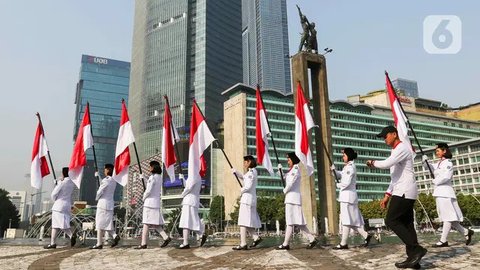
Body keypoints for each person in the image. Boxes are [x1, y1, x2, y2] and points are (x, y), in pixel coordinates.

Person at [366, 125, 427, 269]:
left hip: (404, 191)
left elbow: (386, 164)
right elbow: (395, 177)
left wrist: (372, 163)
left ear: (394, 134)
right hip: (402, 190)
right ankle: (413, 258)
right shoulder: (395, 151)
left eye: (385, 136)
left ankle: (416, 249)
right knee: (407, 224)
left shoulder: (402, 148)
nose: (384, 139)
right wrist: (387, 195)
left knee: (391, 220)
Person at [422, 143, 474, 247]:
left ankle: (443, 240)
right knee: (451, 218)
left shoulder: (448, 162)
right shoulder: (439, 163)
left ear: (444, 151)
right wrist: (424, 161)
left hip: (445, 192)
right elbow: (430, 168)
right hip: (440, 192)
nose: (436, 152)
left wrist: (435, 181)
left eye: (438, 150)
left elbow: (447, 176)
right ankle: (466, 232)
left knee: (448, 218)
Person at [331, 148, 372, 249]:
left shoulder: (350, 168)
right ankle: (366, 236)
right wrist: (334, 171)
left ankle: (343, 243)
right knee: (352, 221)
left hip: (347, 198)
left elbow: (346, 182)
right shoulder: (347, 167)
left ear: (348, 155)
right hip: (349, 197)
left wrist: (339, 185)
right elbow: (340, 175)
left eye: (344, 155)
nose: (343, 157)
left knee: (346, 220)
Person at [276, 152, 318, 250]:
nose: (288, 161)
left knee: (290, 222)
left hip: (293, 199)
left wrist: (285, 190)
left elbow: (291, 181)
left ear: (293, 160)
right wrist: (280, 170)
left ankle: (286, 244)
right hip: (291, 199)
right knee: (299, 222)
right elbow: (284, 177)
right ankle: (312, 239)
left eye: (289, 159)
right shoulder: (291, 171)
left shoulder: (296, 169)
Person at [134, 161, 172, 249]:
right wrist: (144, 178)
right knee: (156, 224)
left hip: (149, 203)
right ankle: (166, 237)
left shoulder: (152, 177)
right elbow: (152, 185)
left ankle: (143, 243)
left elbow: (149, 190)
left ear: (153, 167)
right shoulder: (159, 177)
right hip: (156, 203)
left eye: (150, 166)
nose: (149, 168)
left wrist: (143, 197)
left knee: (146, 223)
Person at [231, 155, 262, 250]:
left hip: (247, 200)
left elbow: (247, 186)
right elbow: (244, 178)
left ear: (249, 162)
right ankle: (256, 237)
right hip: (250, 200)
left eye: (245, 162)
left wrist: (242, 189)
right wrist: (236, 172)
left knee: (242, 222)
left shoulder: (250, 173)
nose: (244, 164)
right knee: (246, 222)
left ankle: (243, 243)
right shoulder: (252, 172)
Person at [44, 167, 76, 249]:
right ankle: (52, 243)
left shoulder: (61, 183)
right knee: (55, 225)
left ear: (63, 173)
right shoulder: (71, 183)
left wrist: (57, 185)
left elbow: (53, 194)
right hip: (67, 205)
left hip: (59, 206)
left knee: (62, 224)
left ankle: (71, 235)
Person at [91, 164, 120, 249]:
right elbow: (103, 184)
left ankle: (99, 243)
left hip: (102, 204)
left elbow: (100, 190)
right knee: (107, 224)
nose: (104, 171)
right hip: (110, 205)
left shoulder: (106, 180)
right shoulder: (113, 180)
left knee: (99, 224)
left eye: (105, 169)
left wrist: (96, 197)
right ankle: (115, 236)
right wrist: (98, 176)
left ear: (108, 170)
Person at [178, 172, 207, 249]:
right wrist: (183, 179)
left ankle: (187, 242)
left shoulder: (193, 176)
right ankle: (198, 235)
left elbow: (188, 188)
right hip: (191, 201)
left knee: (186, 222)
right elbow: (188, 186)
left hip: (189, 201)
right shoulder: (196, 176)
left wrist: (182, 194)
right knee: (190, 222)